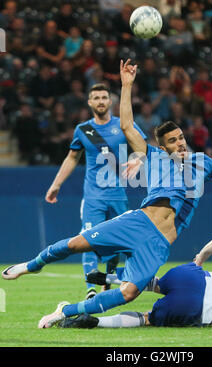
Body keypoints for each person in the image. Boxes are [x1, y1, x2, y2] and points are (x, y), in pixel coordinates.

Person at [2, 60, 212, 329]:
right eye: (173, 141)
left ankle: (64, 312)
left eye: (181, 137)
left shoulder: (201, 163)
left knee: (129, 293)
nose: (180, 143)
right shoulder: (154, 157)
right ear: (163, 146)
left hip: (160, 243)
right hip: (139, 222)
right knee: (76, 244)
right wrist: (126, 85)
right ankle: (32, 265)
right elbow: (127, 126)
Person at [48, 82, 146, 299]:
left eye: (104, 97)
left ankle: (108, 280)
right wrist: (56, 184)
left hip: (118, 195)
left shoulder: (124, 126)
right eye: (97, 98)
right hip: (93, 196)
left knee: (118, 245)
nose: (101, 101)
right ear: (90, 102)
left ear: (110, 101)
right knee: (88, 239)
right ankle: (90, 290)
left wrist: (138, 160)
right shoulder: (83, 130)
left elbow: (143, 146)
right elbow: (72, 157)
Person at [58, 237, 212, 328]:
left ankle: (109, 277)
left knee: (156, 284)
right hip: (195, 308)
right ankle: (96, 322)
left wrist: (200, 259)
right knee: (146, 319)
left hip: (193, 276)